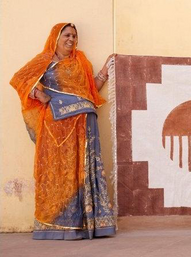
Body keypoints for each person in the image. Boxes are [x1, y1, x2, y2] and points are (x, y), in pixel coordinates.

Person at [10, 23, 116, 239]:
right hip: (55, 129)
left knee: (82, 173)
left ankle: (86, 225)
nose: (71, 39)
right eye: (67, 35)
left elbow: (91, 90)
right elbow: (19, 79)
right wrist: (39, 95)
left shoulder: (80, 62)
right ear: (55, 37)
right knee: (58, 173)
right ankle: (56, 226)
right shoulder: (44, 60)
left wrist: (106, 69)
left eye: (74, 36)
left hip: (85, 126)